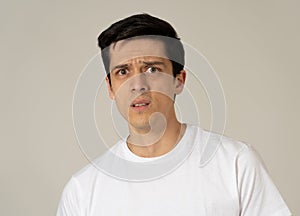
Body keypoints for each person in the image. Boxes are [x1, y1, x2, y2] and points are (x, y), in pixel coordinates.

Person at [57, 13, 292, 215]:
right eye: (123, 71)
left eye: (152, 69)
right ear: (110, 88)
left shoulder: (236, 164)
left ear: (179, 80)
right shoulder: (83, 191)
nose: (138, 84)